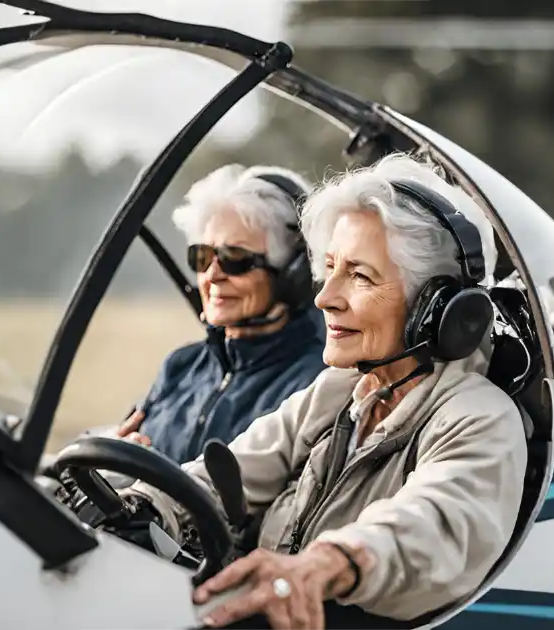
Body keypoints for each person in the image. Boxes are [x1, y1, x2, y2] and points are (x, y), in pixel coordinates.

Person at [114, 153, 529, 629]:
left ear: (436, 309)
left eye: (359, 275)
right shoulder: (340, 391)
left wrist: (325, 564)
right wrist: (143, 504)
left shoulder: (478, 417)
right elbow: (227, 471)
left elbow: (433, 523)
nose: (324, 296)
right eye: (329, 267)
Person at [116, 164, 328, 465]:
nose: (212, 275)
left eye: (235, 259)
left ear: (294, 274)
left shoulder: (315, 385)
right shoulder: (180, 366)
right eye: (202, 256)